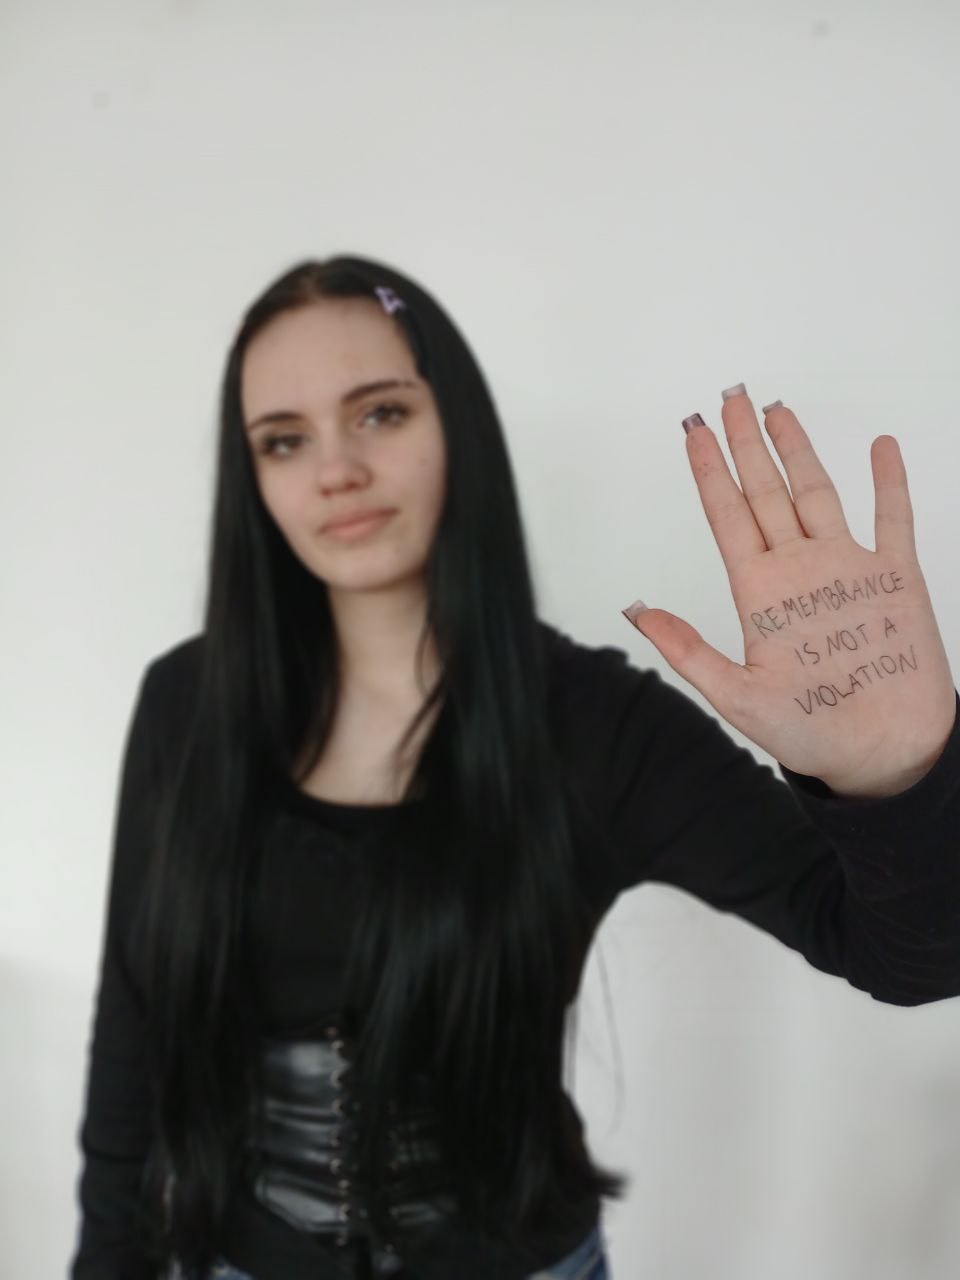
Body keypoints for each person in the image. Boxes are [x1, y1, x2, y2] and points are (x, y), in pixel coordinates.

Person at [69, 255, 960, 1280]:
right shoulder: (185, 706)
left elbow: (912, 958)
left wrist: (898, 776)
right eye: (283, 438)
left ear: (458, 423)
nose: (335, 469)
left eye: (380, 413)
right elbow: (132, 1042)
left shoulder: (598, 725)